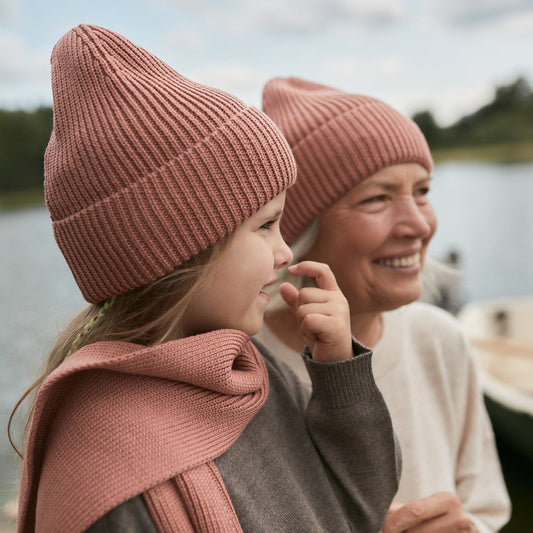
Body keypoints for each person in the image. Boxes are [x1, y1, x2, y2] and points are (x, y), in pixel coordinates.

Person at [9, 26, 401, 533]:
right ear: (174, 248)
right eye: (264, 225)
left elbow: (360, 508)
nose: (285, 251)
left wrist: (341, 376)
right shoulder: (110, 472)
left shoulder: (243, 367)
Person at [257, 77, 511, 533]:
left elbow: (488, 510)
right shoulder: (238, 373)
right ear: (298, 232)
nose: (418, 224)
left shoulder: (440, 340)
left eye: (423, 191)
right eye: (377, 198)